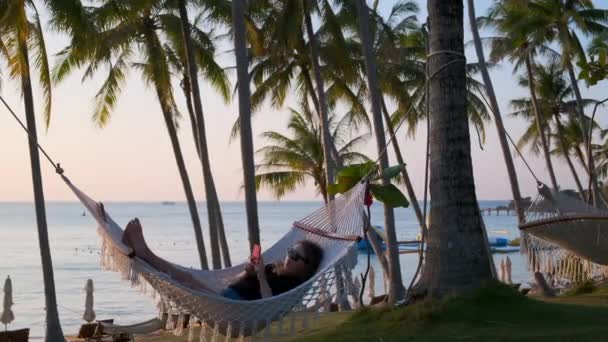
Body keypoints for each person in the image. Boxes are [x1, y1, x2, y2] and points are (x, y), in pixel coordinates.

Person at [121, 218, 323, 301]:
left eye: (296, 256)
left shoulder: (292, 285)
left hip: (233, 306)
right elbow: (239, 280)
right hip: (225, 295)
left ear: (307, 267)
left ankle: (144, 253)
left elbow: (268, 303)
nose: (289, 256)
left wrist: (260, 276)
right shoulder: (274, 268)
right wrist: (249, 271)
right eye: (291, 251)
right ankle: (143, 252)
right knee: (186, 276)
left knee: (186, 279)